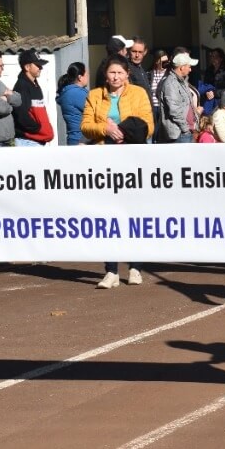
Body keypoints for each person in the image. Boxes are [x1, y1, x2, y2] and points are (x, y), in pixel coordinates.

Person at [81, 57, 154, 288]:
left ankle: (135, 267)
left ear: (127, 74)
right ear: (106, 74)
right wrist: (105, 128)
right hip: (104, 161)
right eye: (112, 72)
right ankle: (111, 270)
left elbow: (149, 125)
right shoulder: (94, 95)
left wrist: (124, 131)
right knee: (107, 216)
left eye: (120, 73)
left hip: (132, 161)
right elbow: (85, 126)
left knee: (134, 215)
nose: (116, 77)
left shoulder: (139, 93)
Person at [11, 50, 54, 146]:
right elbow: (21, 114)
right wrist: (38, 129)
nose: (41, 68)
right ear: (27, 67)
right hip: (27, 141)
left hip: (35, 141)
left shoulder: (34, 84)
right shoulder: (22, 86)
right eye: (37, 65)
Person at [158, 52, 200, 143]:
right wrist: (185, 129)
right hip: (179, 134)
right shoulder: (171, 84)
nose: (190, 70)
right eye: (189, 67)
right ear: (181, 68)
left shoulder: (182, 82)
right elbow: (174, 110)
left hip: (185, 132)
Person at [56, 62, 89, 145]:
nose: (88, 77)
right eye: (87, 74)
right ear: (80, 77)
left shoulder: (68, 91)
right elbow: (97, 110)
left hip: (74, 138)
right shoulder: (76, 93)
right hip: (82, 139)